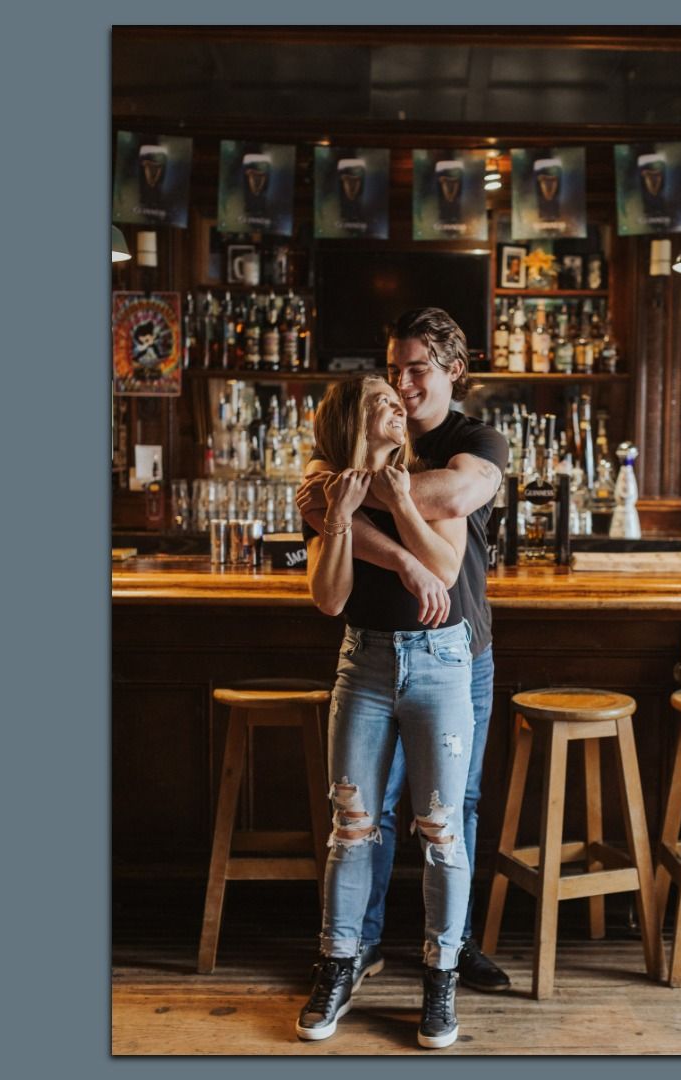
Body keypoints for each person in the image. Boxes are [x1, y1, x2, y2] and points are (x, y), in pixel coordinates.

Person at [295, 309, 511, 999]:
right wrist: (351, 499)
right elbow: (324, 526)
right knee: (368, 811)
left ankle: (453, 947)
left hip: (460, 648)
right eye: (393, 372)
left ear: (454, 368)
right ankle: (361, 945)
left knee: (456, 807)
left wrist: (350, 492)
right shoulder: (349, 439)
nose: (404, 384)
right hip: (372, 651)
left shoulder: (473, 439)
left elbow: (459, 491)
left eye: (416, 369)